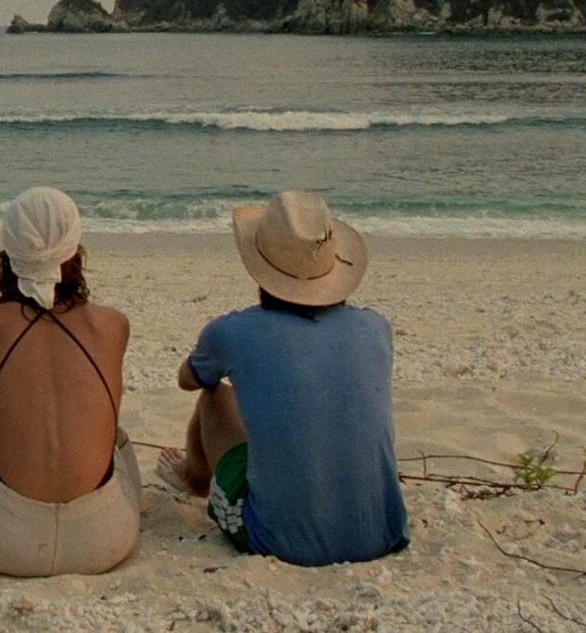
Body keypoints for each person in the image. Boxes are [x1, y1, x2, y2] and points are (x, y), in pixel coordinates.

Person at [156, 190, 409, 566]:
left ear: (259, 268)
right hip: (381, 534)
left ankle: (196, 479)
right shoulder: (375, 327)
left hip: (279, 541)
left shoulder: (233, 332)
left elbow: (188, 379)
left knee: (213, 395)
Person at [0, 186, 140, 576]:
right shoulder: (112, 325)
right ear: (76, 251)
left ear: (5, 255)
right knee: (116, 438)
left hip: (2, 541)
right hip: (104, 539)